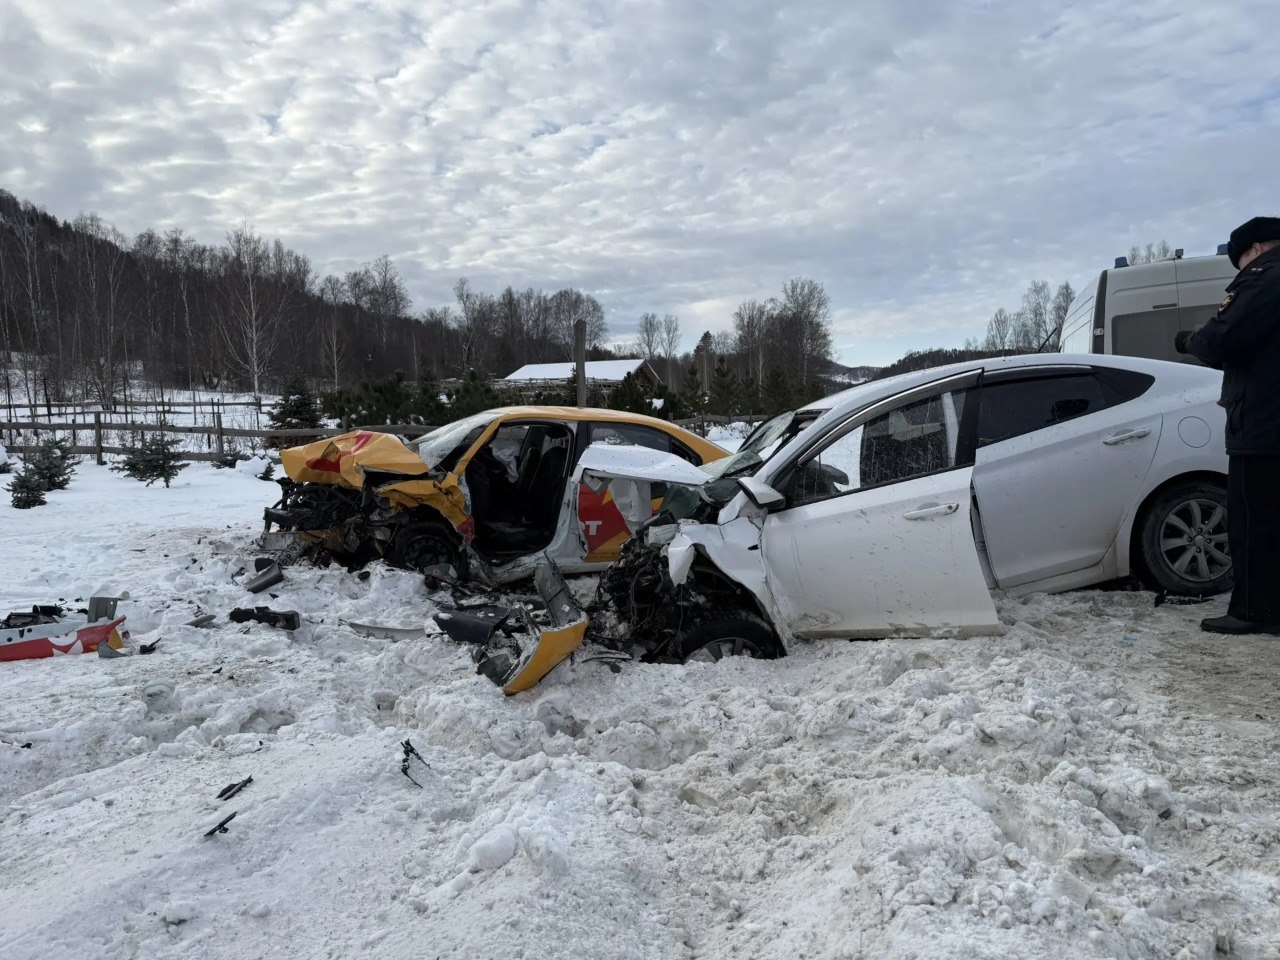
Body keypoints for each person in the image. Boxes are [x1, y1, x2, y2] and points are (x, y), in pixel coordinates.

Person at [1175, 216, 1280, 634]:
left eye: (1238, 262)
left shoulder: (1262, 278)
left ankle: (1254, 611)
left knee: (1255, 521)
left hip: (1264, 425)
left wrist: (1189, 339)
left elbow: (1221, 339)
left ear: (1253, 250)